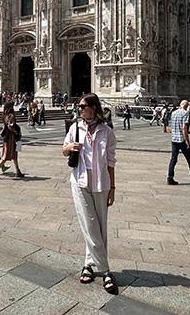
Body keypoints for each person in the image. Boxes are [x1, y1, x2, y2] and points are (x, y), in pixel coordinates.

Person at [62, 93, 119, 295]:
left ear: (93, 107)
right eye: (78, 106)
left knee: (99, 225)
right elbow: (64, 150)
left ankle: (88, 264)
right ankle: (105, 270)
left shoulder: (107, 132)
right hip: (79, 181)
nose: (79, 109)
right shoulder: (74, 128)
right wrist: (69, 147)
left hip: (101, 183)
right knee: (89, 222)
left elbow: (111, 163)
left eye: (83, 106)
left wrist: (112, 188)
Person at [166, 100, 190, 185]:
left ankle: (170, 177)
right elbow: (184, 128)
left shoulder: (174, 113)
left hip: (174, 139)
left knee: (173, 159)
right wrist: (187, 141)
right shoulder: (185, 113)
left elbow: (172, 125)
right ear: (187, 106)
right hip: (182, 140)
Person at [0, 106, 24, 179]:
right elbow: (11, 126)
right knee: (5, 157)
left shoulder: (5, 116)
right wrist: (15, 131)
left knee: (15, 156)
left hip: (9, 140)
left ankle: (18, 171)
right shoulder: (10, 116)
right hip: (12, 140)